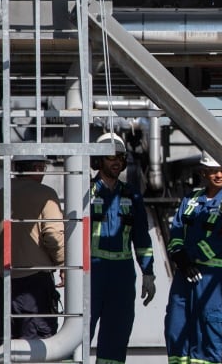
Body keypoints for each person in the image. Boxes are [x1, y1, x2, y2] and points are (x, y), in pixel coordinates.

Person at [164, 151, 222, 364]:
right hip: (184, 275)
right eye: (212, 171)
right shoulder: (190, 200)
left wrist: (189, 257)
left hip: (213, 278)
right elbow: (177, 230)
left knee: (210, 327)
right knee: (176, 324)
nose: (218, 175)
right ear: (203, 172)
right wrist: (180, 258)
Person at [89, 132, 155, 364]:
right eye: (110, 157)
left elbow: (142, 238)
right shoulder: (85, 192)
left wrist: (148, 273)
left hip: (122, 274)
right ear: (98, 161)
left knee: (116, 336)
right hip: (92, 273)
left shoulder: (131, 195)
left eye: (120, 157)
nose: (116, 162)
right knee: (79, 334)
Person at [0, 155, 65, 345]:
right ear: (36, 168)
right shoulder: (46, 195)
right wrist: (63, 265)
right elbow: (53, 236)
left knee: (8, 342)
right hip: (36, 282)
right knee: (37, 345)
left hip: (6, 280)